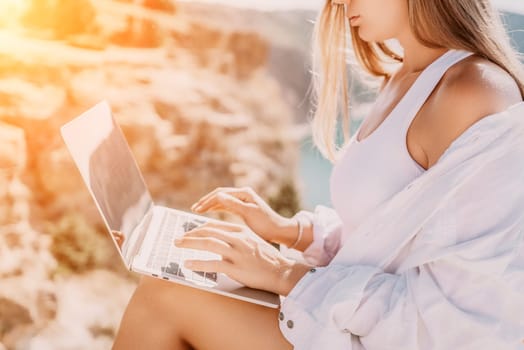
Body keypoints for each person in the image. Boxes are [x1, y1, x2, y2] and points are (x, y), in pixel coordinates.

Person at [113, 0, 524, 349]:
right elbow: (386, 242)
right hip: (356, 325)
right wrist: (292, 233)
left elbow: (468, 321)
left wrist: (280, 272)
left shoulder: (474, 92)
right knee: (178, 273)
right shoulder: (405, 77)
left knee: (164, 299)